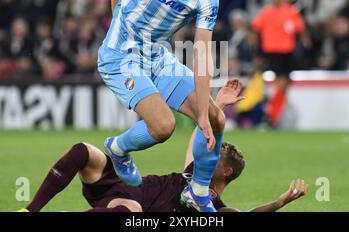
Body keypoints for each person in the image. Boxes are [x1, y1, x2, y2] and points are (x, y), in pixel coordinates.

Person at [17, 80, 308, 212]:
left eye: (217, 152)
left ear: (227, 171)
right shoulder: (195, 175)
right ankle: (30, 211)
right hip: (122, 183)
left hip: (130, 204)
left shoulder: (213, 207)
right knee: (83, 150)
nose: (210, 148)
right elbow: (201, 135)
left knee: (130, 209)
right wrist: (216, 107)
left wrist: (280, 202)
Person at [98, 0, 223, 211]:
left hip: (158, 59)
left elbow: (203, 52)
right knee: (163, 126)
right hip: (120, 57)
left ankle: (199, 191)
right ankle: (118, 149)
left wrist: (202, 114)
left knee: (216, 119)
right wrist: (117, 17)